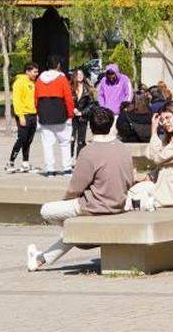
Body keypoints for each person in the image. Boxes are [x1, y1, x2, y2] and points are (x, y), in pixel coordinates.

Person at [27, 106, 135, 271]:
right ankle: (40, 259)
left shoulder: (88, 151)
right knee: (73, 226)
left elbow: (76, 187)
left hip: (93, 205)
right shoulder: (123, 148)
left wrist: (67, 200)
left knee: (47, 210)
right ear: (111, 124)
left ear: (91, 127)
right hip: (119, 203)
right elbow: (129, 179)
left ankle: (80, 237)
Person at [36, 55, 75, 176]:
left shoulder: (39, 79)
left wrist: (39, 112)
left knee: (47, 144)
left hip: (44, 113)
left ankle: (50, 169)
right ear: (58, 65)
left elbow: (36, 99)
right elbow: (68, 98)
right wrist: (70, 114)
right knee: (64, 143)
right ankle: (67, 168)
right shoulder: (62, 78)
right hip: (60, 113)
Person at [6, 63, 39, 173]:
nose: (36, 74)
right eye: (34, 72)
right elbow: (17, 100)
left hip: (33, 114)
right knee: (22, 139)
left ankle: (25, 163)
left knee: (28, 140)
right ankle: (10, 162)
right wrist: (21, 116)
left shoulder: (33, 82)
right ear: (28, 71)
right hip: (24, 115)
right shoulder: (19, 83)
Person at [70, 68, 95, 157]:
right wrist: (72, 109)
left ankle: (79, 159)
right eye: (78, 74)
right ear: (74, 76)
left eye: (81, 74)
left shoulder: (87, 89)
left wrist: (82, 112)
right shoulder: (70, 88)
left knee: (81, 141)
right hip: (71, 118)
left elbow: (91, 104)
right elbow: (66, 101)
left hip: (82, 118)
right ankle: (69, 159)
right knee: (71, 139)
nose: (80, 76)